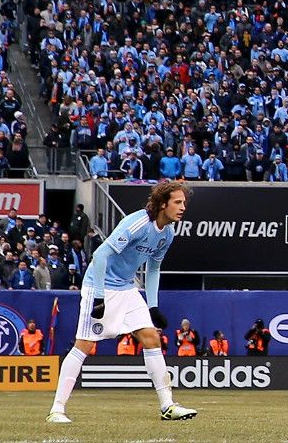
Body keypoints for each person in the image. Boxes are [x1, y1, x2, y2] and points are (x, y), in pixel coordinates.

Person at [46, 179, 196, 425]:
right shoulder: (137, 223)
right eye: (177, 202)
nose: (182, 207)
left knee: (151, 337)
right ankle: (57, 409)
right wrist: (99, 297)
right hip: (99, 285)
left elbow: (154, 268)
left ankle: (167, 406)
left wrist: (153, 305)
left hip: (127, 289)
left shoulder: (167, 233)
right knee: (84, 345)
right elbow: (101, 254)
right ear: (162, 204)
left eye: (183, 203)